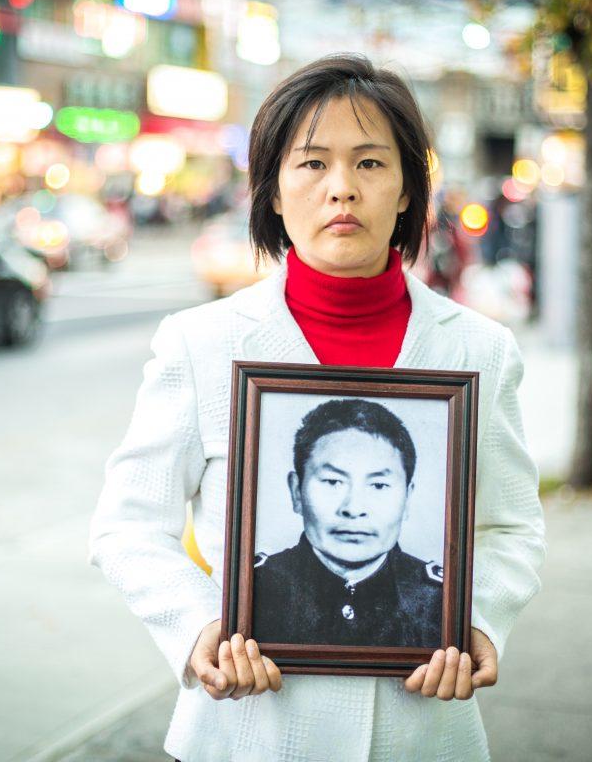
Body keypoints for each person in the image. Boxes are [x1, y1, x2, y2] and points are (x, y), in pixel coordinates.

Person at [88, 54, 545, 762]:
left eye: (369, 164)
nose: (342, 190)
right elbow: (126, 524)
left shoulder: (479, 351)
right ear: (271, 191)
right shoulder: (199, 343)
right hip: (245, 732)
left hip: (421, 730)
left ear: (406, 192)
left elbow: (511, 524)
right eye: (311, 165)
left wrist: (476, 621)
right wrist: (201, 627)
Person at [252, 398, 442, 648]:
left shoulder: (439, 600)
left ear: (408, 498)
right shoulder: (256, 587)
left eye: (378, 485)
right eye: (332, 482)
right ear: (297, 491)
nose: (354, 509)